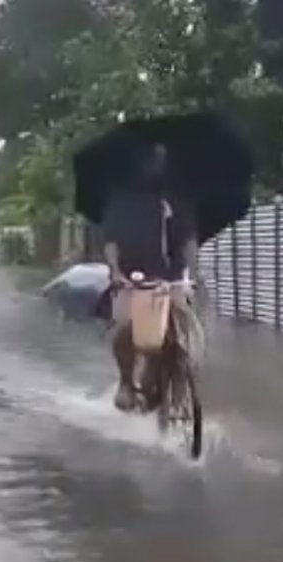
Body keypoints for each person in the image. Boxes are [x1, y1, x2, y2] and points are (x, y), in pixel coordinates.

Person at [102, 144, 203, 412]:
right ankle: (125, 381)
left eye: (161, 162)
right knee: (125, 328)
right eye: (151, 162)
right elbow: (111, 240)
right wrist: (115, 272)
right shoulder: (122, 200)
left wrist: (194, 273)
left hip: (171, 279)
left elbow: (189, 240)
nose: (156, 168)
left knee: (182, 331)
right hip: (132, 278)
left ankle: (175, 380)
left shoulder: (178, 199)